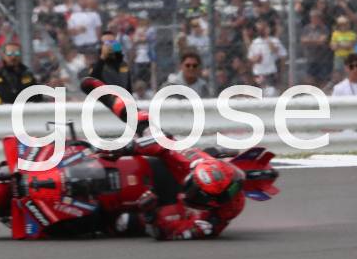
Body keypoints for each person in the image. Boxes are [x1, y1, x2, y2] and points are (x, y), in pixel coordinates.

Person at [80, 77, 247, 241]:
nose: (190, 191)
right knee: (144, 124)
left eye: (194, 191)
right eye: (192, 185)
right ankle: (105, 93)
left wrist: (151, 215)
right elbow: (164, 143)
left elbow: (175, 232)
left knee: (125, 223)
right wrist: (126, 148)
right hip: (167, 173)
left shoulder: (211, 220)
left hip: (170, 205)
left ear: (211, 202)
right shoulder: (193, 162)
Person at [247, 21, 287, 87]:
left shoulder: (274, 40)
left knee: (272, 94)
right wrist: (255, 59)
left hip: (270, 72)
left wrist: (267, 38)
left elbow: (278, 52)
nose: (261, 31)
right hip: (258, 73)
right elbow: (250, 57)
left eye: (263, 29)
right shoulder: (255, 42)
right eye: (259, 29)